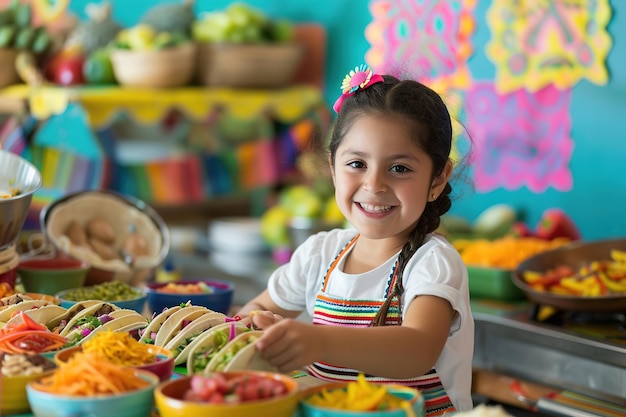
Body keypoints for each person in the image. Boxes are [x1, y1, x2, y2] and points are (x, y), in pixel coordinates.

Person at [236, 64, 474, 415]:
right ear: (333, 167)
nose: (374, 185)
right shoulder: (320, 253)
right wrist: (259, 327)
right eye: (357, 164)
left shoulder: (432, 262)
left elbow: (417, 348)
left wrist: (318, 341)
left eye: (399, 168)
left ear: (437, 178)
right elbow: (253, 311)